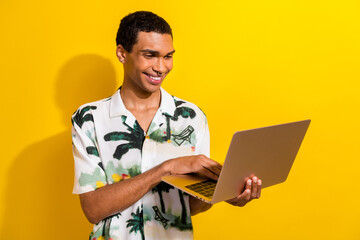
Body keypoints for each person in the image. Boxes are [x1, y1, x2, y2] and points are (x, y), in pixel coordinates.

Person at [71, 11, 262, 240]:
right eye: (150, 55)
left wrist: (225, 194)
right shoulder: (89, 118)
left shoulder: (192, 117)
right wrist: (166, 169)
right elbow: (93, 209)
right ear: (122, 53)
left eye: (168, 56)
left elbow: (189, 207)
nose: (161, 67)